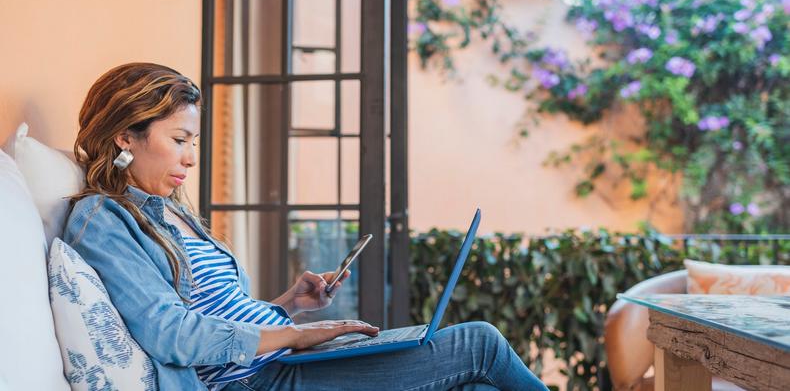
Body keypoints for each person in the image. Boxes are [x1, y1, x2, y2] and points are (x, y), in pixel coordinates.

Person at [64, 62, 548, 391]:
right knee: (480, 342)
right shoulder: (104, 219)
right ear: (127, 135)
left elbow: (222, 313)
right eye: (179, 139)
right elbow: (173, 333)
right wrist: (296, 336)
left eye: (194, 141)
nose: (192, 158)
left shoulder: (175, 210)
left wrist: (287, 307)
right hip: (253, 381)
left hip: (278, 364)